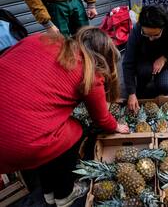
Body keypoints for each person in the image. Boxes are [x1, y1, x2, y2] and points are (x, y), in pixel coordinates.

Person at [0, 27, 129, 206]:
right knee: (75, 129)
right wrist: (116, 126)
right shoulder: (90, 73)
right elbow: (101, 119)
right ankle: (64, 194)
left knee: (46, 134)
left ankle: (48, 192)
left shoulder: (41, 38)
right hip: (18, 142)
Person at [123, 5, 168, 112]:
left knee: (164, 85)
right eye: (146, 34)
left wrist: (165, 58)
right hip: (145, 59)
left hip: (167, 61)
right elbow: (127, 63)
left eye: (155, 35)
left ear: (163, 28)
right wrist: (131, 93)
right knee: (143, 72)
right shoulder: (136, 30)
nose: (150, 39)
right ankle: (141, 85)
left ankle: (160, 86)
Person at [22, 0, 97, 36]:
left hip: (75, 0)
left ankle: (87, 62)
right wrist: (47, 24)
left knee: (85, 35)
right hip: (54, 5)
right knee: (61, 41)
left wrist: (91, 4)